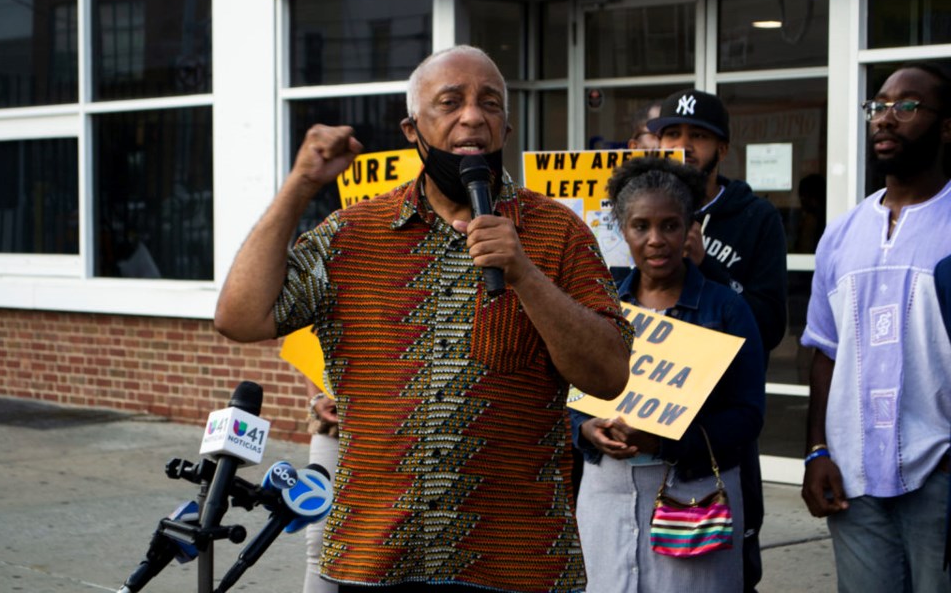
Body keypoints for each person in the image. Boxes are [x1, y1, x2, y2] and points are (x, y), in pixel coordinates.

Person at [214, 45, 634, 593]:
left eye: (490, 103)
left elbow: (609, 375)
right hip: (376, 553)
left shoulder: (556, 232)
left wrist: (525, 275)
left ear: (505, 127)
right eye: (450, 102)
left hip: (519, 559)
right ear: (413, 129)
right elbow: (239, 317)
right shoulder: (352, 234)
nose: (473, 116)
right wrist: (300, 186)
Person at [572, 156, 765, 592]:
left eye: (670, 226)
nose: (656, 240)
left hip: (693, 492)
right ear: (622, 229)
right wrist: (586, 429)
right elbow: (568, 394)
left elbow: (748, 415)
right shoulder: (600, 308)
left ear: (689, 229)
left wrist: (666, 442)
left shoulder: (727, 310)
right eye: (641, 226)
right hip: (607, 492)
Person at [800, 61, 951, 593]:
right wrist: (817, 450)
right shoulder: (841, 235)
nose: (886, 119)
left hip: (940, 474)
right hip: (854, 477)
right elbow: (825, 351)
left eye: (906, 106)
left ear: (946, 126)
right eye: (878, 107)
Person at [646, 88, 787, 591]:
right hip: (640, 418)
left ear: (722, 149)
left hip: (717, 426)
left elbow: (770, 326)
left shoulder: (755, 218)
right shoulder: (633, 215)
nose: (684, 146)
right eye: (672, 135)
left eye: (698, 136)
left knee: (725, 565)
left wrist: (710, 267)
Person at [304, 388, 339, 593]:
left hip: (404, 424)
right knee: (321, 539)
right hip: (336, 424)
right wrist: (316, 399)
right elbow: (310, 357)